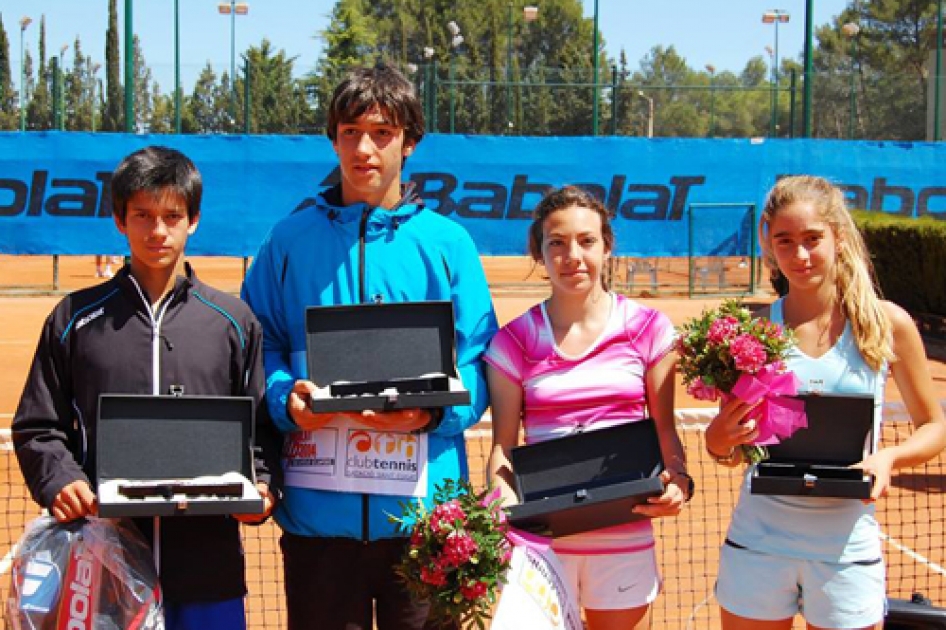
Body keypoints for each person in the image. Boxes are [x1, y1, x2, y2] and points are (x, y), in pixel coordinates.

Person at [240, 63, 497, 630]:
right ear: (333, 138)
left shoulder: (448, 244)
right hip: (318, 527)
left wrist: (430, 413)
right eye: (350, 131)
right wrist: (286, 401)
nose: (365, 148)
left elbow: (481, 360)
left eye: (382, 132)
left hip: (425, 527)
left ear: (410, 142)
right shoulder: (286, 240)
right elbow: (261, 346)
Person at [12, 145, 280, 630]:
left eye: (172, 216)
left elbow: (260, 428)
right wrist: (61, 480)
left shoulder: (234, 322)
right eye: (142, 215)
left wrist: (262, 486)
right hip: (103, 570)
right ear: (120, 220)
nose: (157, 231)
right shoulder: (74, 319)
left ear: (193, 220)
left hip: (208, 571)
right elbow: (39, 425)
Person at [706, 175, 946, 630]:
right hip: (757, 544)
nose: (799, 255)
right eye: (785, 241)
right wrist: (719, 441)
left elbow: (934, 425)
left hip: (847, 550)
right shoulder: (749, 331)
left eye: (812, 239)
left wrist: (890, 457)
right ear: (769, 245)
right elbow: (729, 447)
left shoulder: (887, 323)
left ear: (837, 236)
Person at [485, 186, 692, 630]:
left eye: (586, 241)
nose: (572, 255)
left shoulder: (648, 329)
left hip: (624, 535)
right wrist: (504, 512)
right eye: (556, 243)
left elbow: (665, 430)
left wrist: (679, 481)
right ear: (538, 253)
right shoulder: (513, 342)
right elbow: (503, 449)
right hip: (544, 546)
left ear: (607, 245)